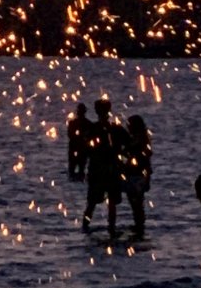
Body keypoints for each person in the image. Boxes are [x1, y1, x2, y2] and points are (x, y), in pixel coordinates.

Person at [82, 98, 122, 231]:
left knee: (92, 203)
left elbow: (85, 150)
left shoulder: (92, 129)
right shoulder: (116, 129)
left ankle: (85, 227)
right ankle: (111, 228)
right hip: (110, 169)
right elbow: (128, 146)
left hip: (98, 170)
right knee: (110, 204)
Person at [118, 108, 153, 241]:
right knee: (136, 203)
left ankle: (139, 225)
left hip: (137, 176)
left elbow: (140, 157)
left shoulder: (140, 141)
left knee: (137, 203)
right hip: (135, 175)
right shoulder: (141, 140)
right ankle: (139, 226)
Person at [65, 100, 91, 183]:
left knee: (73, 170)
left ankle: (74, 179)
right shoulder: (88, 124)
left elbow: (70, 135)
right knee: (80, 170)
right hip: (81, 150)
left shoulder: (72, 123)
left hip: (76, 149)